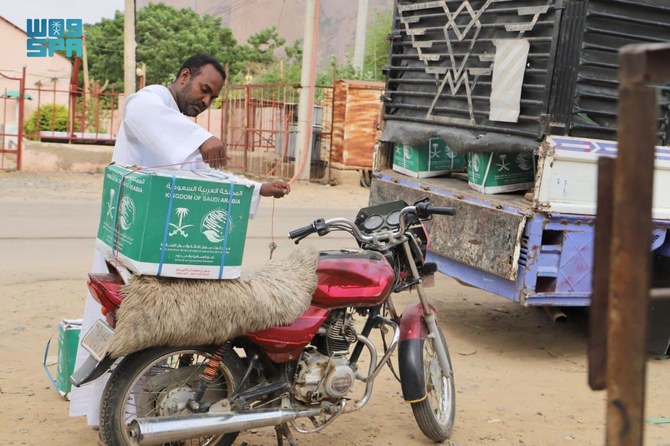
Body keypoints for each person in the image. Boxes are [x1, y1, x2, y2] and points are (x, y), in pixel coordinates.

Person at [69, 54, 290, 429]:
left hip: (159, 251)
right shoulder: (149, 101)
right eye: (205, 90)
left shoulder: (182, 138)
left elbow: (207, 179)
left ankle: (131, 411)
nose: (206, 102)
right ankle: (116, 414)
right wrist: (202, 137)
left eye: (213, 98)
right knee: (128, 332)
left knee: (147, 333)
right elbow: (143, 114)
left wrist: (257, 190)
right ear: (184, 75)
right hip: (129, 247)